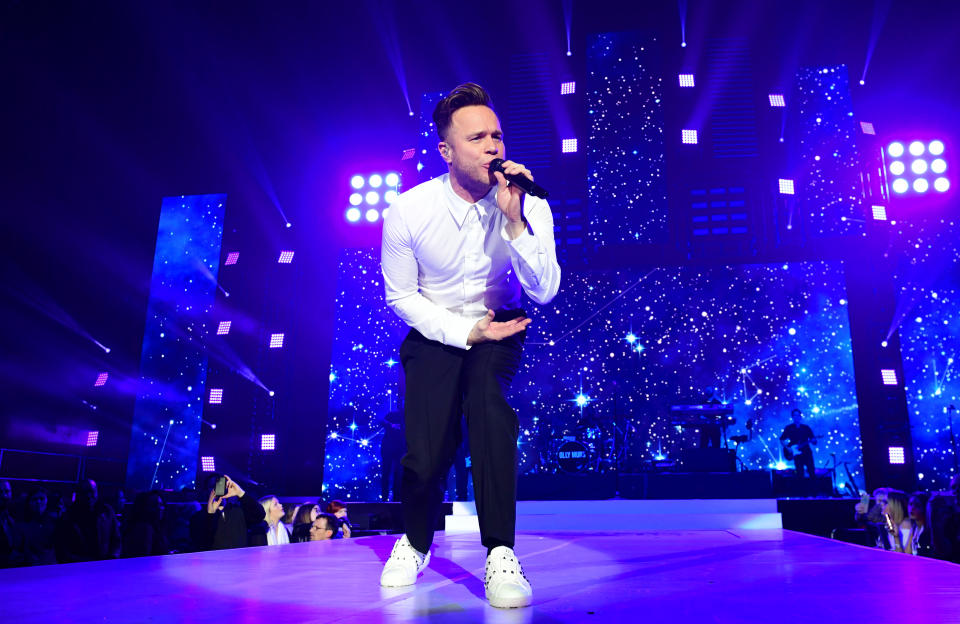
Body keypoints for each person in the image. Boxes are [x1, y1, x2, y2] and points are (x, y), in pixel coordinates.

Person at [380, 82, 560, 609]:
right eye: (477, 137)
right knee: (427, 452)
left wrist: (514, 221)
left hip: (500, 328)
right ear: (447, 150)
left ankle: (500, 551)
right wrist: (460, 332)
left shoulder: (528, 203)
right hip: (435, 329)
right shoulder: (408, 211)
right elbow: (400, 297)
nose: (493, 147)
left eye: (498, 136)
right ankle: (414, 542)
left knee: (488, 409)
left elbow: (545, 291)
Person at [189, 474, 264, 551]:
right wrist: (210, 515)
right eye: (212, 486)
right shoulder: (198, 517)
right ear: (206, 491)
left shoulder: (239, 510)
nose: (216, 489)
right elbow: (201, 544)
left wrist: (241, 494)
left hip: (239, 560)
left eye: (220, 485)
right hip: (213, 561)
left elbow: (260, 516)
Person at [54, 479, 121, 563]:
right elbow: (62, 549)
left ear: (97, 493)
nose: (89, 495)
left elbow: (116, 539)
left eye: (92, 492)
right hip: (79, 569)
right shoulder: (67, 516)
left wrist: (112, 559)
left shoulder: (107, 511)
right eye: (84, 492)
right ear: (78, 494)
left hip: (104, 566)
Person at [123, 491, 169, 558]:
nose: (159, 508)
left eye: (161, 504)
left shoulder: (154, 527)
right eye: (154, 505)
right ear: (143, 508)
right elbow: (142, 559)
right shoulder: (144, 528)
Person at [780, 409, 817, 478]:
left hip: (807, 452)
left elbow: (813, 440)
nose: (796, 417)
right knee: (800, 473)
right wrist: (787, 448)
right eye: (794, 415)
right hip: (797, 454)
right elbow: (781, 439)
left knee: (811, 471)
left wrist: (814, 440)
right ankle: (801, 488)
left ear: (800, 416)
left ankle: (813, 488)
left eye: (798, 415)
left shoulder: (806, 428)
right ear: (792, 417)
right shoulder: (789, 428)